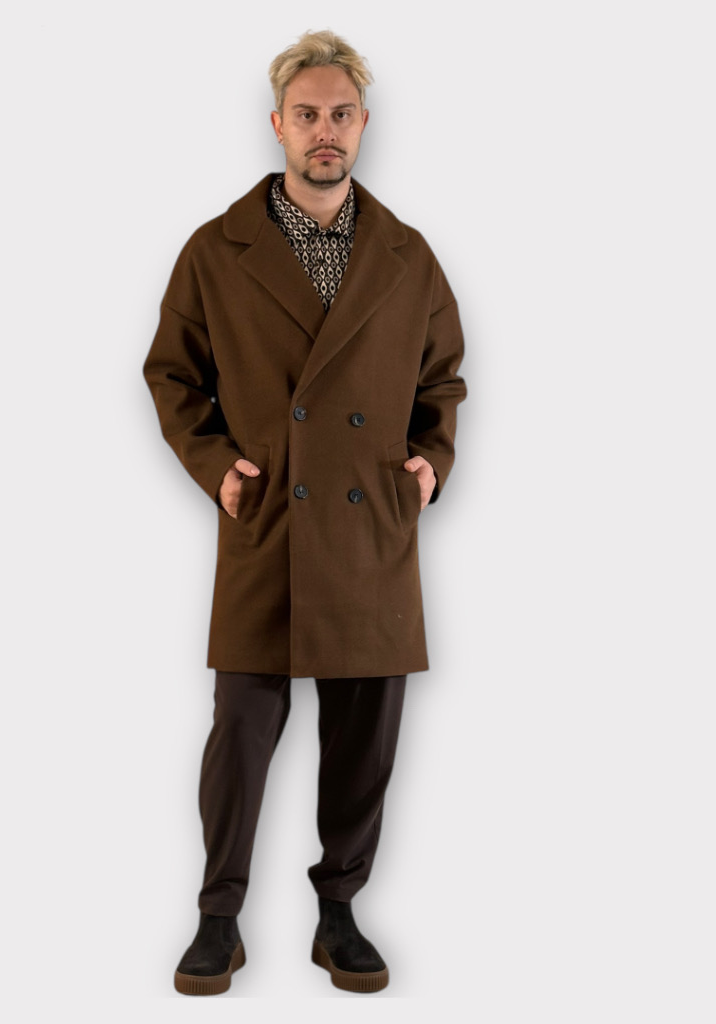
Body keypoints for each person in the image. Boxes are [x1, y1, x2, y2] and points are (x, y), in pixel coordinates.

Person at [143, 29, 466, 995]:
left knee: (365, 741)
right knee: (240, 735)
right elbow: (171, 375)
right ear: (277, 124)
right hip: (270, 520)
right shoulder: (218, 249)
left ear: (364, 124)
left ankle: (338, 911)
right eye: (308, 114)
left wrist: (430, 464)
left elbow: (442, 379)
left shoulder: (407, 255)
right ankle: (219, 916)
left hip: (371, 530)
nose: (326, 131)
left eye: (341, 115)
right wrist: (217, 468)